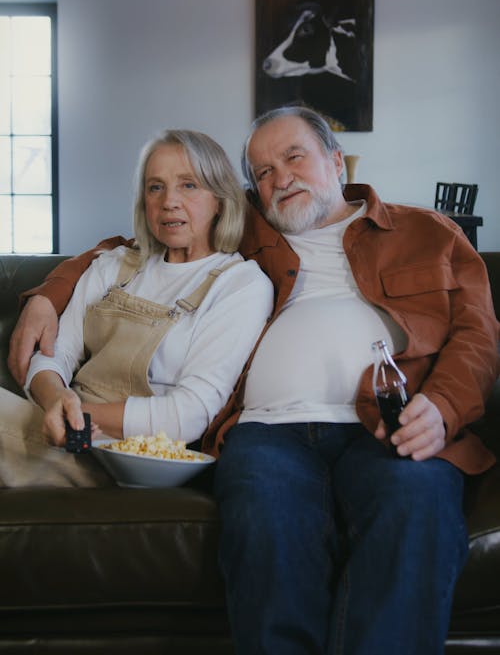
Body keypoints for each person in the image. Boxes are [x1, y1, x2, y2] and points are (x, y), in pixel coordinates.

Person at [7, 107, 499, 654]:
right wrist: (48, 296)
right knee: (265, 529)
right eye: (261, 172)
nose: (279, 178)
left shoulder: (429, 232)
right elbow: (132, 247)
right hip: (266, 431)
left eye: (293, 157)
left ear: (336, 160)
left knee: (417, 510)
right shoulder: (246, 228)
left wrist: (442, 407)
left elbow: (478, 336)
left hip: (388, 426)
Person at [1, 128, 273, 487]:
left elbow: (189, 414)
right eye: (155, 186)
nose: (169, 201)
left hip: (133, 459)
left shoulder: (240, 285)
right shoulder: (112, 265)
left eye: (188, 185)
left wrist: (77, 415)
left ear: (220, 199)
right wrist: (56, 400)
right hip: (66, 433)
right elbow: (54, 354)